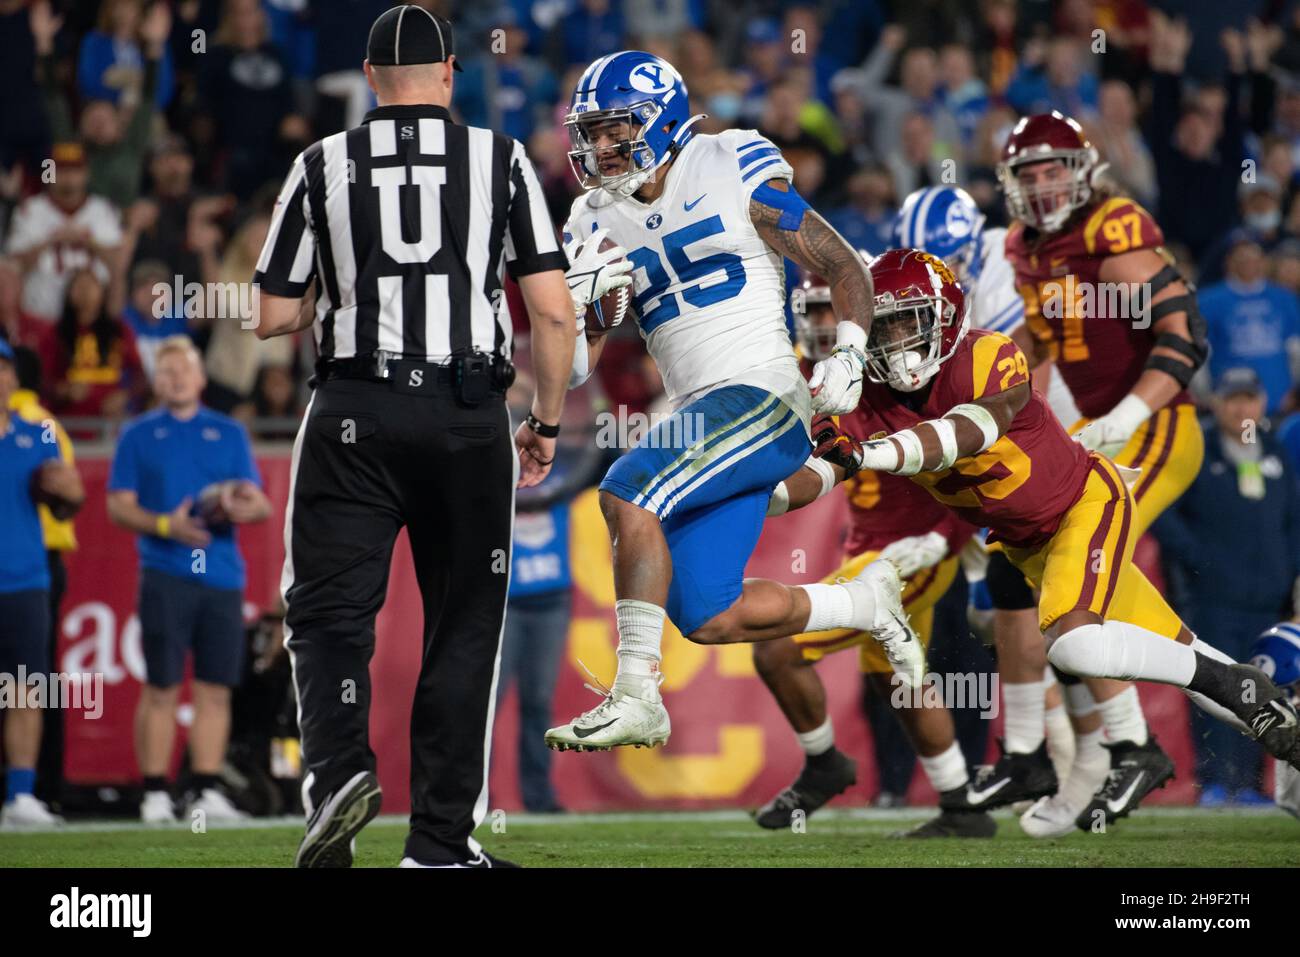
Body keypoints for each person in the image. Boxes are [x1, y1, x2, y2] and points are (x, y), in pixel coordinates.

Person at [788, 247, 1300, 830]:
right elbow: (820, 474)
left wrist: (869, 454)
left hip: (1084, 504)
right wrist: (759, 489)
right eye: (884, 327)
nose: (898, 341)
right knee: (1191, 658)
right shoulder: (865, 400)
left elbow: (964, 433)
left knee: (1075, 646)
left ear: (946, 313)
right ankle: (1275, 713)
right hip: (1029, 545)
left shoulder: (986, 353)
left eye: (910, 320)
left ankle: (1147, 725)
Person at [251, 6, 575, 869]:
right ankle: (439, 843)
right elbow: (550, 309)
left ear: (368, 77)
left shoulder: (321, 164)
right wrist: (542, 420)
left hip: (355, 411)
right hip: (470, 416)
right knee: (464, 628)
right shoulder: (500, 159)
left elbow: (272, 315)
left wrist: (353, 294)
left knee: (327, 614)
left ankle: (338, 776)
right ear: (447, 77)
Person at [545, 50, 897, 754]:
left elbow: (839, 262)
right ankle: (865, 602)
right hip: (699, 414)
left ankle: (638, 695)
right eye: (591, 133)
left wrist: (852, 351)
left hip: (764, 393)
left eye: (616, 130)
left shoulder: (728, 162)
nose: (601, 148)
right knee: (707, 611)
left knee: (627, 492)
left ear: (663, 119)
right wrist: (576, 309)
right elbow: (578, 367)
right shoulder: (591, 219)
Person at [996, 111, 1209, 833]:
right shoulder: (1025, 246)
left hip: (1155, 430)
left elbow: (1187, 335)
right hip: (1100, 433)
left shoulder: (1112, 228)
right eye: (1030, 173)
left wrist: (1128, 416)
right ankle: (1243, 699)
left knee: (1068, 572)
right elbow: (1041, 342)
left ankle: (1124, 743)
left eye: (1054, 168)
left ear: (1080, 168)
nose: (1044, 183)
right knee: (1034, 568)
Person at [753, 271, 988, 838]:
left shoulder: (904, 380)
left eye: (829, 313)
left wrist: (944, 540)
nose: (818, 328)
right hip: (874, 544)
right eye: (809, 314)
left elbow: (975, 471)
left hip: (912, 553)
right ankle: (962, 805)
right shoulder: (810, 374)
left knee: (779, 650)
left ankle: (824, 763)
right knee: (897, 679)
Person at [106, 336, 271, 824]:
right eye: (167, 371)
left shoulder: (228, 432)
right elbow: (118, 503)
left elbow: (259, 502)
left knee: (215, 688)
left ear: (201, 379)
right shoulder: (138, 434)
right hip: (166, 573)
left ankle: (204, 787)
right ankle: (155, 791)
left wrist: (242, 505)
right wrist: (165, 525)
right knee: (161, 686)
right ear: (157, 380)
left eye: (184, 371)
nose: (176, 379)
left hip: (220, 575)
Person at [1153, 368, 1300, 803]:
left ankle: (1252, 784)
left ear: (1260, 404)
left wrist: (1288, 571)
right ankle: (1215, 780)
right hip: (1213, 597)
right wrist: (1200, 560)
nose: (1242, 409)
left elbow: (1292, 519)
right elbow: (1161, 511)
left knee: (1266, 689)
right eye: (1233, 400)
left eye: (1249, 400)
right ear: (1217, 403)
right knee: (1216, 687)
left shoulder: (1273, 451)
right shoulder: (1196, 448)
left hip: (1267, 598)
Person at [0, 336, 84, 828]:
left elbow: (69, 502)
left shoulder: (40, 435)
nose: (3, 379)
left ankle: (21, 794)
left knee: (25, 690)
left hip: (27, 581)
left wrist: (69, 492)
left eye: (7, 370)